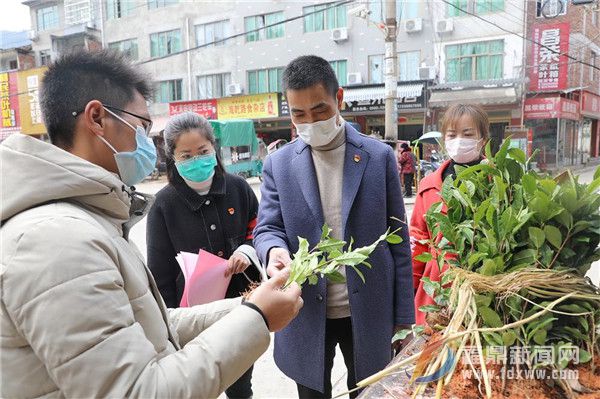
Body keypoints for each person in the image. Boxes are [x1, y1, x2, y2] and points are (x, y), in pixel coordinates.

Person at [0, 50, 303, 398]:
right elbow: (136, 391)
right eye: (142, 126)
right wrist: (258, 319)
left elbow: (153, 323)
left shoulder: (89, 219)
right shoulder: (55, 241)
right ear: (97, 118)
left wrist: (250, 308)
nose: (146, 142)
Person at [253, 55, 415, 399]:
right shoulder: (278, 165)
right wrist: (273, 250)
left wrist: (404, 316)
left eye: (320, 110)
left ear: (339, 99)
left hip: (369, 308)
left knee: (371, 391)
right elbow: (267, 227)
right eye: (299, 115)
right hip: (306, 308)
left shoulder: (378, 157)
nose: (310, 121)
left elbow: (399, 241)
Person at [147, 112, 262, 399]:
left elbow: (259, 229)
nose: (196, 160)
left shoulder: (238, 188)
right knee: (198, 386)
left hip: (238, 309)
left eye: (203, 151)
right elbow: (159, 273)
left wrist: (247, 250)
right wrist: (168, 328)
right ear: (172, 157)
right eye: (186, 156)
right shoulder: (164, 204)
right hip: (191, 317)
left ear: (214, 148)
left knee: (240, 385)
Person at [410, 104, 489, 325]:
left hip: (485, 287)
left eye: (468, 134)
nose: (458, 140)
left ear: (482, 138)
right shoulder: (429, 186)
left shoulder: (498, 181)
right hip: (437, 289)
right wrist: (412, 286)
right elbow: (418, 239)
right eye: (452, 135)